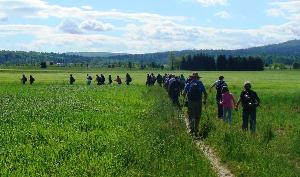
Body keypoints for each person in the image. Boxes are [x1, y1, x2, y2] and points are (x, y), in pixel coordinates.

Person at [183, 73, 207, 137]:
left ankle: (191, 130)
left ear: (192, 77)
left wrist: (185, 99)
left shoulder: (188, 84)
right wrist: (204, 100)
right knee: (197, 116)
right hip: (199, 102)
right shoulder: (200, 84)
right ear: (197, 78)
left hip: (190, 102)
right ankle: (196, 131)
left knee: (191, 116)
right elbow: (205, 93)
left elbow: (183, 93)